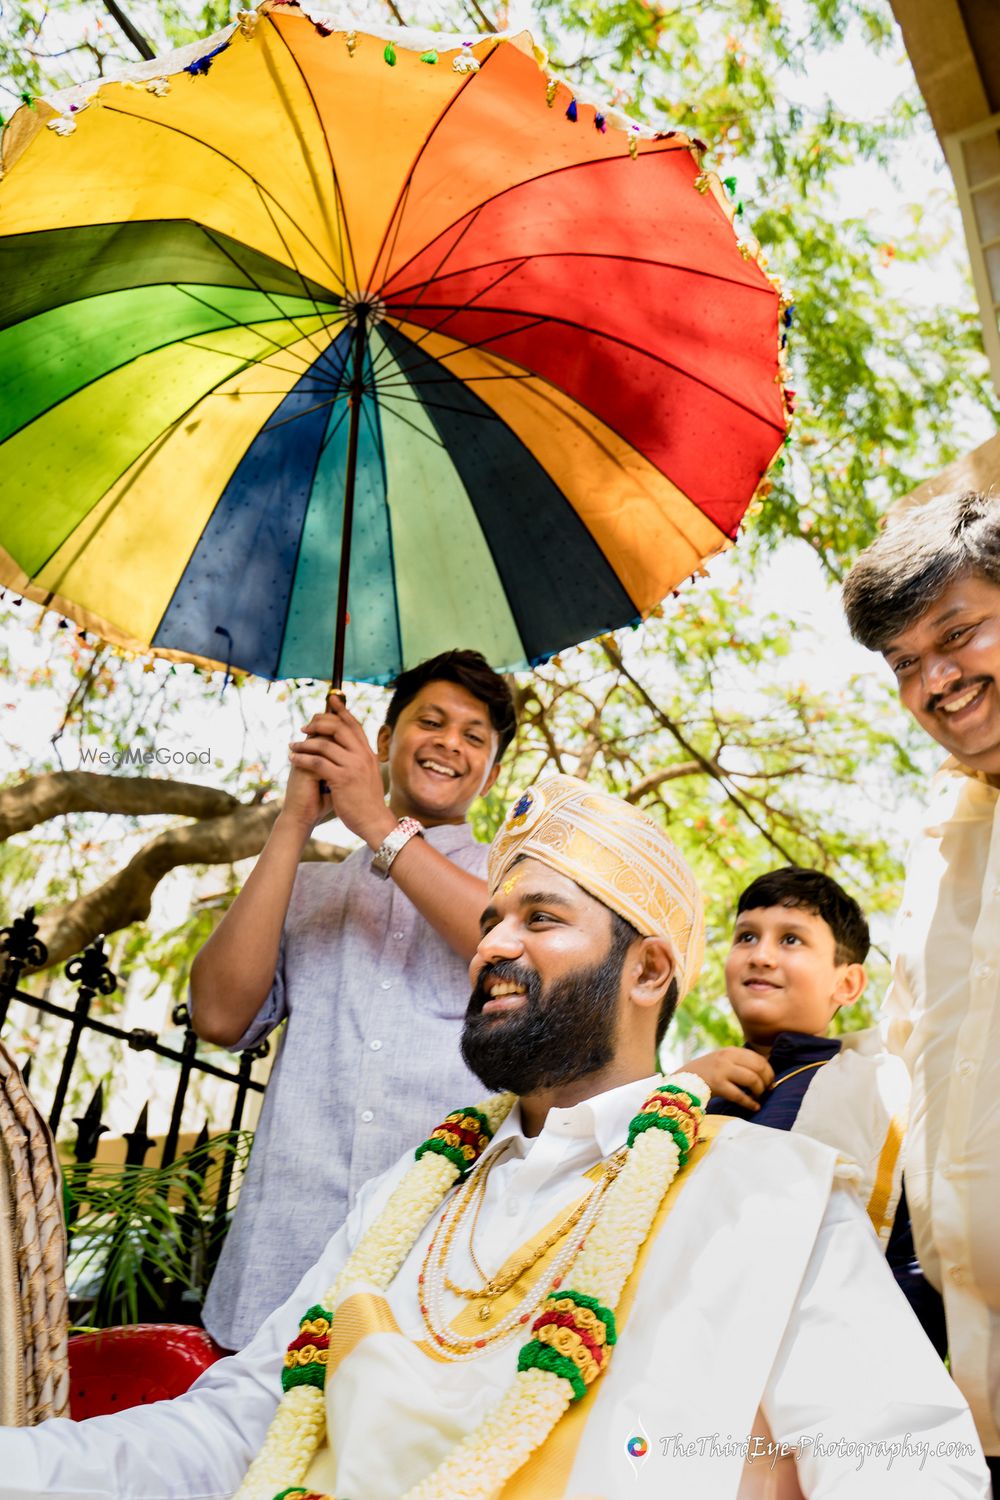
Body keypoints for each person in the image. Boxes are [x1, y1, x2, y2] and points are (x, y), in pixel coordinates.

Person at [0, 775, 986, 1499]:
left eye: (539, 919)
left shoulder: (769, 1198)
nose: (492, 945)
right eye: (492, 919)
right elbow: (225, 1434)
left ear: (646, 972)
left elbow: (914, 1474)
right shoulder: (411, 1197)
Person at [191, 648, 516, 1348]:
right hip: (278, 1268)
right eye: (430, 721)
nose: (448, 744)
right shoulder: (306, 890)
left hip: (429, 1275)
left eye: (473, 737)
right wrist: (293, 823)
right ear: (386, 742)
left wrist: (379, 824)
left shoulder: (512, 886)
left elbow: (507, 946)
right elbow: (218, 1018)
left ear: (490, 772)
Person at [843, 489, 1000, 1486]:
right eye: (903, 664)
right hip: (976, 1381)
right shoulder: (936, 851)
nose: (934, 680)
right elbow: (908, 1074)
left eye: (958, 635)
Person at [683, 867, 944, 1351]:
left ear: (847, 984)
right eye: (746, 936)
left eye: (790, 940)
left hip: (804, 1364)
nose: (760, 956)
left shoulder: (880, 1094)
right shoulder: (692, 1089)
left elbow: (914, 1264)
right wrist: (683, 1088)